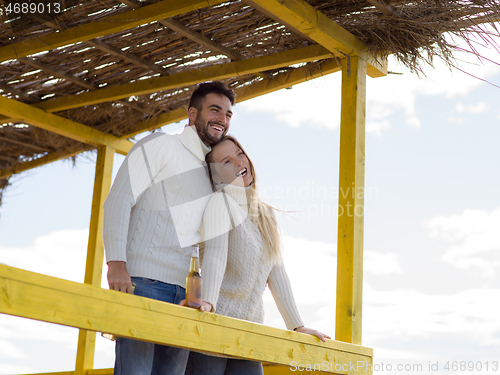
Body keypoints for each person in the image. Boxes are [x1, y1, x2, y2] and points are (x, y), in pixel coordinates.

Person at [102, 81, 235, 375]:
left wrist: (207, 301)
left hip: (187, 298)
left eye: (228, 115)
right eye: (215, 110)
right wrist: (117, 265)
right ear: (192, 114)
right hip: (142, 284)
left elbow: (215, 245)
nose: (222, 120)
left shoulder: (214, 175)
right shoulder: (160, 144)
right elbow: (118, 200)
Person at [183, 135, 331, 375]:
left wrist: (297, 326)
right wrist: (207, 305)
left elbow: (277, 272)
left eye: (240, 153)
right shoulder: (220, 203)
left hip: (249, 332)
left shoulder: (266, 214)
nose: (239, 163)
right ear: (217, 176)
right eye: (227, 162)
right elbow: (216, 254)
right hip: (212, 325)